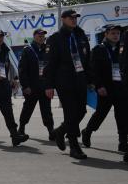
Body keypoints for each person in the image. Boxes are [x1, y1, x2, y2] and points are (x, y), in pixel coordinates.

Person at [45, 9, 91, 159]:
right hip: (64, 80)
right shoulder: (56, 38)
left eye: (76, 17)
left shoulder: (81, 35)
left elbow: (87, 59)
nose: (74, 20)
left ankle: (59, 131)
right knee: (70, 113)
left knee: (81, 111)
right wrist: (49, 85)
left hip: (80, 78)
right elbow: (50, 64)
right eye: (71, 17)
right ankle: (74, 146)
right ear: (63, 19)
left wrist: (90, 79)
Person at [81, 24, 128, 152]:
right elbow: (94, 70)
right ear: (106, 34)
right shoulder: (99, 49)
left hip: (121, 87)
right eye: (113, 33)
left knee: (123, 115)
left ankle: (123, 142)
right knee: (101, 114)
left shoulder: (122, 49)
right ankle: (88, 131)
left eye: (118, 33)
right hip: (106, 88)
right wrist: (99, 86)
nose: (116, 36)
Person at [18, 28, 55, 140]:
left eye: (43, 36)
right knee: (28, 108)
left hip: (44, 86)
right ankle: (21, 128)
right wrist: (25, 86)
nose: (42, 38)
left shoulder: (48, 50)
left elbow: (51, 68)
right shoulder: (28, 50)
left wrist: (51, 84)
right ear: (34, 36)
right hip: (32, 86)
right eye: (39, 36)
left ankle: (51, 131)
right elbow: (22, 70)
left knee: (46, 110)